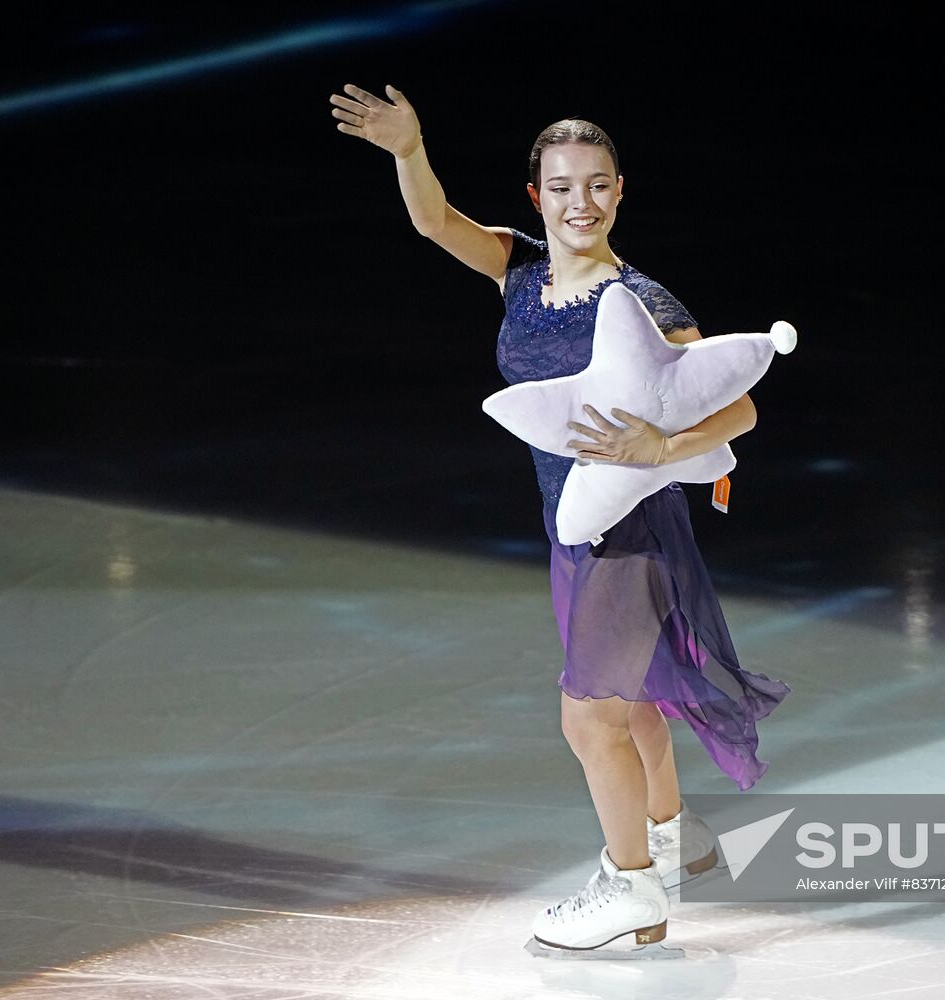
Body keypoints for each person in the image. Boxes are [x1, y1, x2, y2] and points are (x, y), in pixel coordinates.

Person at [330, 84, 791, 957]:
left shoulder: (643, 303)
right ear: (537, 197)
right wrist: (407, 149)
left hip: (630, 531)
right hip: (569, 523)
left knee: (589, 719)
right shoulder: (521, 270)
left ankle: (632, 891)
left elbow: (741, 412)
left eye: (599, 184)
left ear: (621, 193)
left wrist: (662, 446)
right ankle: (669, 836)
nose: (583, 202)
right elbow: (435, 224)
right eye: (564, 186)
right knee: (638, 701)